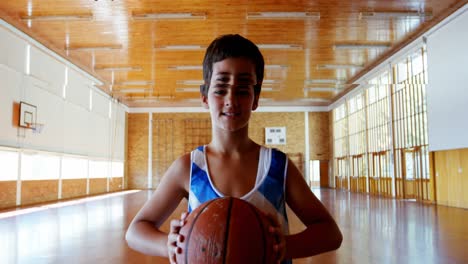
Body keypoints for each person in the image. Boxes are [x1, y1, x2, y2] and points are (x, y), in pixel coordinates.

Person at [125, 34, 343, 264]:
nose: (231, 100)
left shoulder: (278, 166)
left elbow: (330, 233)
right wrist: (168, 245)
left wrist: (284, 246)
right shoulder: (189, 167)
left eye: (242, 90)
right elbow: (135, 231)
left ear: (255, 98)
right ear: (205, 97)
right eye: (220, 89)